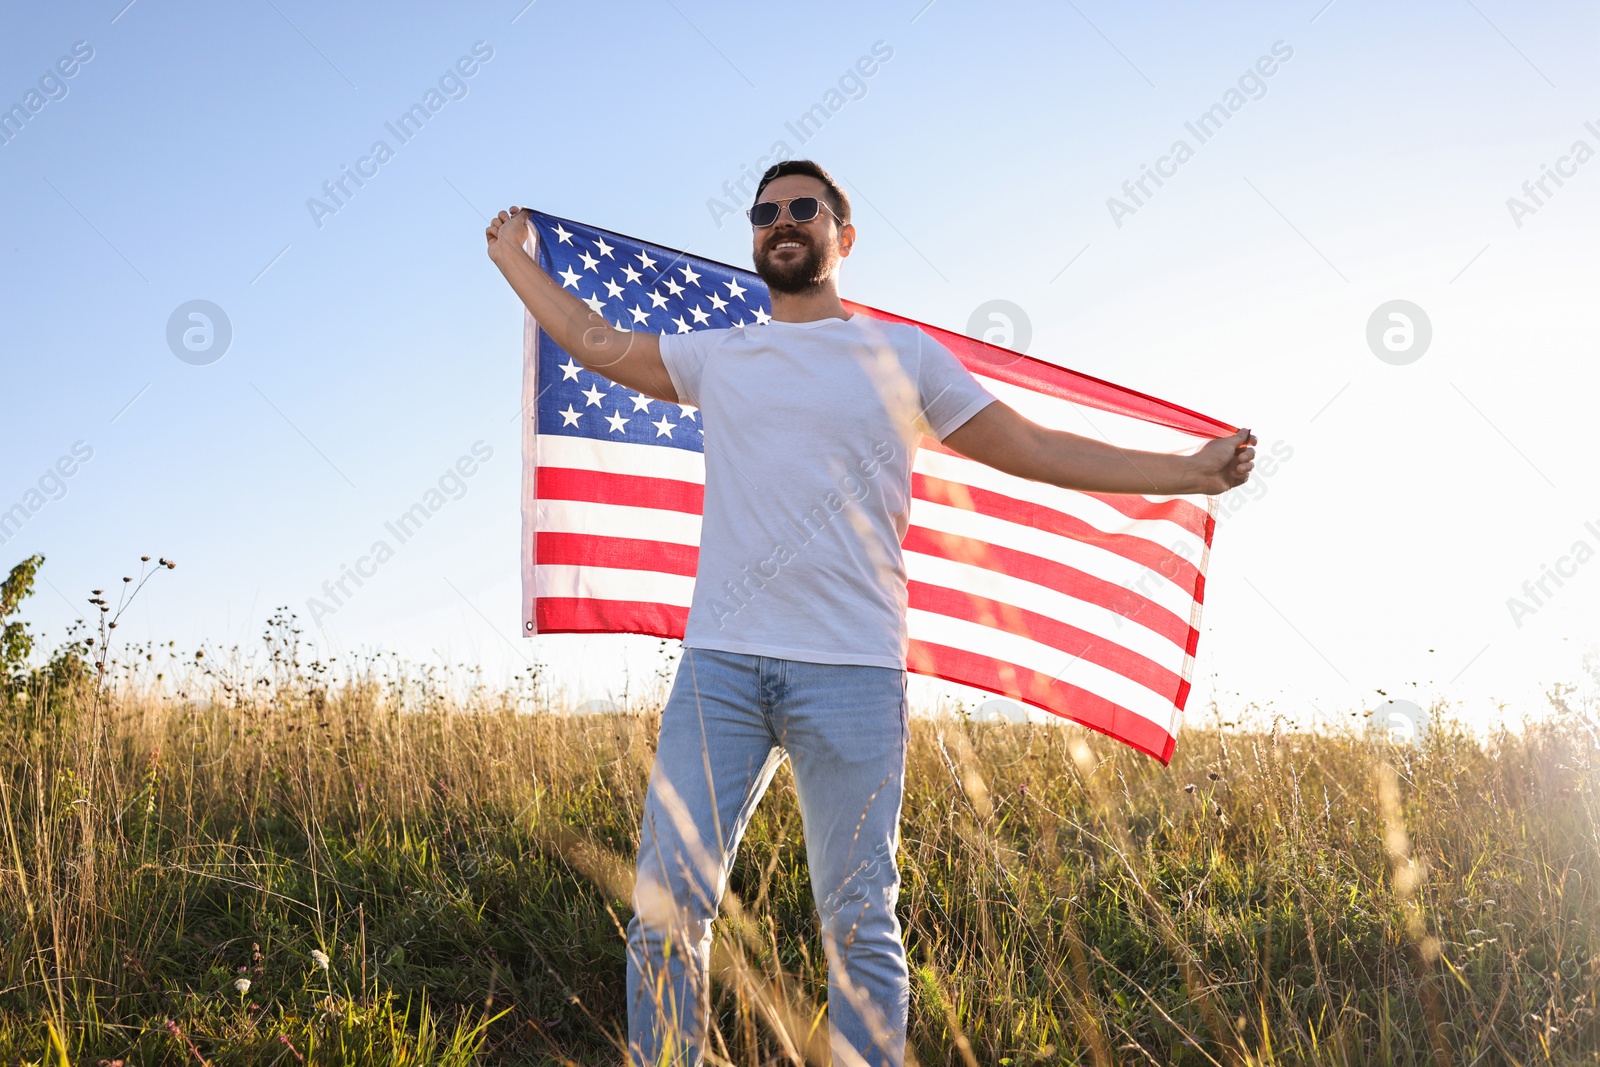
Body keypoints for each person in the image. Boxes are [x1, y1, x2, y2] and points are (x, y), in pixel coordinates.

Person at [485, 160, 1255, 1067]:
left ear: (842, 237)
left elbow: (1033, 448)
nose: (781, 221)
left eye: (802, 208)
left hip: (850, 676)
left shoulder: (904, 359)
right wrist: (514, 261)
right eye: (765, 212)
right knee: (667, 910)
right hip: (720, 672)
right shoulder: (720, 355)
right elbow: (600, 342)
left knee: (857, 921)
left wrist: (1189, 471)